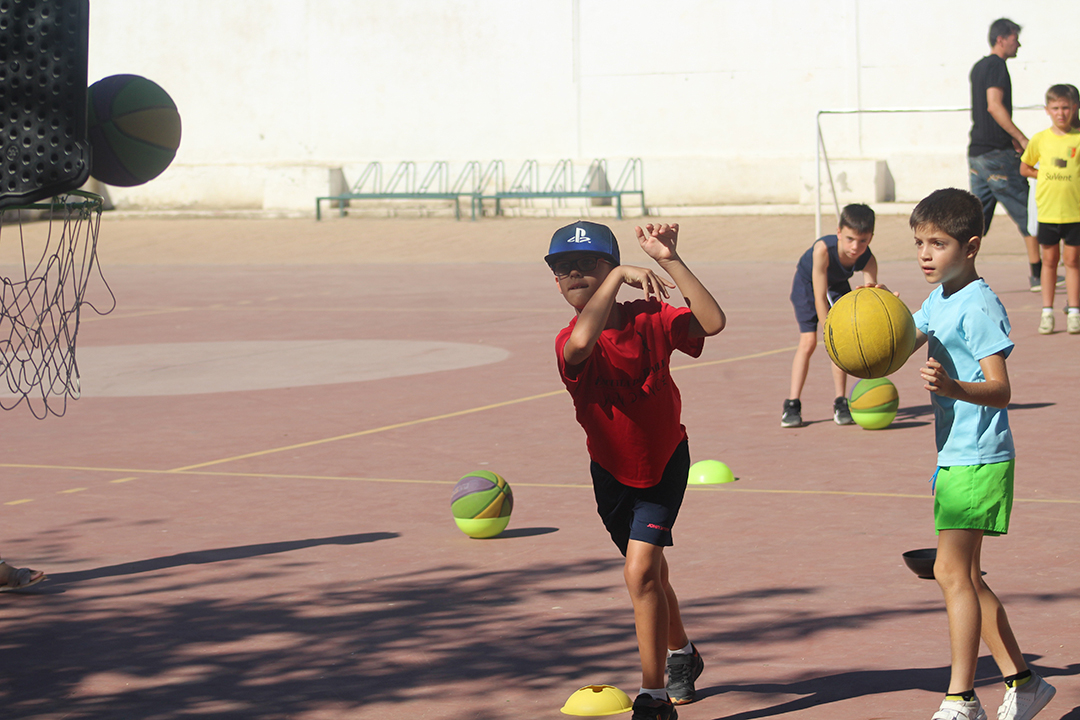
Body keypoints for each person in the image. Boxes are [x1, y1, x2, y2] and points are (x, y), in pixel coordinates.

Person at [546, 220, 725, 719]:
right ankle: (683, 654)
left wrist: (669, 259)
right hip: (611, 473)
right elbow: (583, 344)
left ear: (610, 266)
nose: (575, 273)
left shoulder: (648, 317)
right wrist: (617, 275)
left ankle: (652, 695)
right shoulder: (567, 340)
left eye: (589, 264)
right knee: (651, 576)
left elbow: (711, 321)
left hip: (664, 460)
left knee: (640, 570)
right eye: (565, 268)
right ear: (555, 282)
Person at [903, 188, 1056, 720]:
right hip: (953, 455)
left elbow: (1001, 388)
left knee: (952, 574)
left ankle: (961, 698)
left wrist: (953, 387)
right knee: (962, 576)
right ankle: (1025, 682)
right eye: (919, 242)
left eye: (937, 244)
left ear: (970, 246)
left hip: (980, 455)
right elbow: (899, 343)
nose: (925, 253)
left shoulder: (979, 303)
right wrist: (867, 317)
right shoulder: (939, 296)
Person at [782, 203, 879, 428]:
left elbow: (870, 297)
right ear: (838, 233)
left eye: (863, 241)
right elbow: (819, 296)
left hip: (836, 284)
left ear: (871, 238)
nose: (855, 247)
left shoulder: (868, 259)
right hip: (808, 285)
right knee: (808, 342)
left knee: (840, 345)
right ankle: (792, 405)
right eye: (849, 239)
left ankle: (840, 402)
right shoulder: (822, 250)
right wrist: (827, 327)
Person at [968, 18, 1044, 292]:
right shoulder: (997, 66)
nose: (1018, 43)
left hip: (977, 154)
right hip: (997, 156)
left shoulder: (978, 67)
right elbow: (994, 106)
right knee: (1027, 211)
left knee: (975, 220)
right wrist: (1022, 138)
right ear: (1002, 39)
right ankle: (1039, 274)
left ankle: (958, 272)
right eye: (1015, 38)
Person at [1020, 83, 1080, 334]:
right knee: (1050, 261)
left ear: (1074, 107)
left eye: (1066, 107)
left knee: (1073, 260)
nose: (1061, 113)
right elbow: (1025, 168)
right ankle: (1047, 312)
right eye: (1055, 108)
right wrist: (1041, 173)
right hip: (1048, 212)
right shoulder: (1040, 139)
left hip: (1074, 212)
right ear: (1047, 109)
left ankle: (1074, 312)